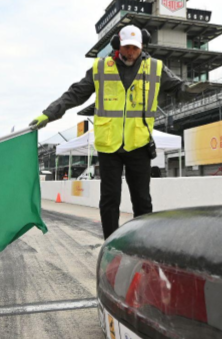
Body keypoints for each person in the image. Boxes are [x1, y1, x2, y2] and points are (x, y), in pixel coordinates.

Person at [30, 25, 190, 239]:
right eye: (127, 48)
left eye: (135, 48)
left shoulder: (155, 68)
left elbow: (179, 88)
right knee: (109, 200)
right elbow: (75, 93)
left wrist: (190, 89)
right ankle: (111, 246)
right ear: (118, 46)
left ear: (142, 45)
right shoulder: (101, 68)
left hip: (139, 144)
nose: (131, 52)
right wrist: (49, 114)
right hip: (109, 146)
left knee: (142, 201)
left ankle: (142, 245)